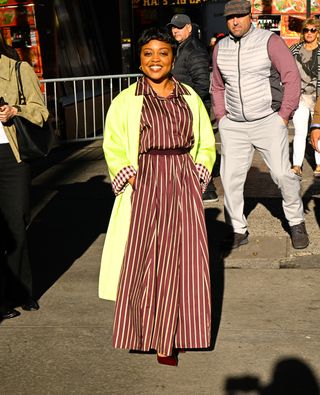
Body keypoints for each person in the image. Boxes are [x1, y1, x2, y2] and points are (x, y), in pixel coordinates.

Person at [99, 27, 216, 366]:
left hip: (182, 182)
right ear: (140, 59)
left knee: (183, 263)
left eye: (162, 53)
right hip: (144, 184)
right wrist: (129, 174)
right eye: (148, 53)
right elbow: (113, 144)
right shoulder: (125, 100)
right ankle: (144, 333)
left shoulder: (190, 97)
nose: (155, 59)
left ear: (173, 56)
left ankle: (174, 337)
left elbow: (206, 143)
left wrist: (196, 174)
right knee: (143, 263)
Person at [210, 0, 309, 250]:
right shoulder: (220, 47)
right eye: (230, 18)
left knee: (283, 175)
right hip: (233, 125)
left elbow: (291, 78)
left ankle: (296, 222)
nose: (235, 21)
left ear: (250, 16)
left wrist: (283, 116)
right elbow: (218, 85)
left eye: (240, 16)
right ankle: (237, 229)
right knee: (230, 179)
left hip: (267, 120)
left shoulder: (270, 41)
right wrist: (221, 117)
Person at [0, 31, 49, 320]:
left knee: (17, 223)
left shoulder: (17, 68)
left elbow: (40, 111)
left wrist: (14, 110)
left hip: (10, 157)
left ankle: (22, 292)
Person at [167, 13, 219, 203]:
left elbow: (202, 84)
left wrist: (188, 106)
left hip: (192, 109)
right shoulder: (183, 47)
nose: (175, 30)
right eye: (173, 27)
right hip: (186, 107)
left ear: (189, 28)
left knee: (196, 148)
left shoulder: (194, 49)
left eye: (179, 27)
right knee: (189, 149)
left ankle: (208, 188)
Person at [290, 18, 320, 178]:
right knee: (300, 132)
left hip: (318, 97)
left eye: (312, 30)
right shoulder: (295, 49)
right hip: (300, 96)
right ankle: (297, 165)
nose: (309, 33)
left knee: (318, 130)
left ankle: (319, 164)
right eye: (306, 30)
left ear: (318, 32)